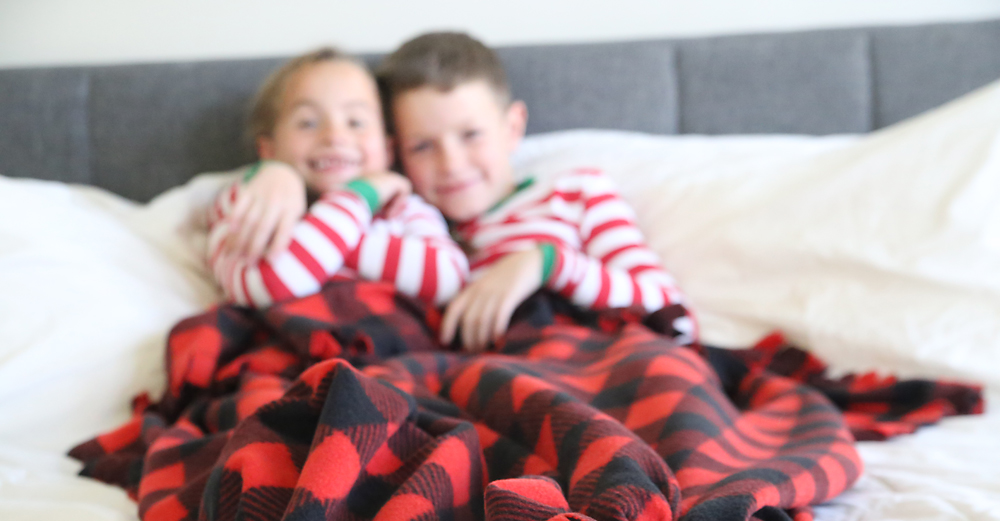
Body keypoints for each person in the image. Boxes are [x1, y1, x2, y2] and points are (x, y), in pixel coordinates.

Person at [377, 33, 696, 351]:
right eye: (421, 146)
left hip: (592, 361)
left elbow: (675, 317)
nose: (451, 164)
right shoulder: (413, 233)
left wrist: (547, 264)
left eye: (471, 134)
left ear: (512, 128)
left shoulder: (574, 194)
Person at [208, 48, 468, 309]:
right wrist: (359, 196)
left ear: (388, 150)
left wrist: (316, 241)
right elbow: (273, 282)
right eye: (308, 123)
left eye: (355, 122)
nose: (334, 136)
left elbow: (449, 278)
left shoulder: (401, 209)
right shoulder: (249, 201)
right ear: (269, 149)